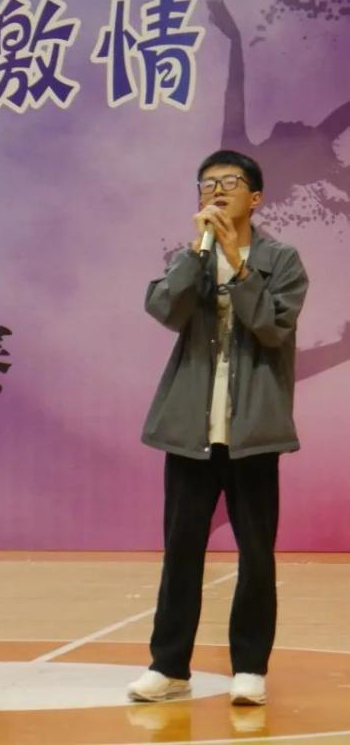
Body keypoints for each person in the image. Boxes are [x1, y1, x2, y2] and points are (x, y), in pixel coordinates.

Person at [128, 150, 308, 706]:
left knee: (256, 553)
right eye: (207, 185)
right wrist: (199, 253)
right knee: (181, 550)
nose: (217, 191)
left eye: (229, 182)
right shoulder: (192, 257)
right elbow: (165, 309)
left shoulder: (282, 259)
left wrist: (239, 265)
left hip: (253, 431)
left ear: (255, 198)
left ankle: (249, 667)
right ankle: (169, 667)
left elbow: (273, 328)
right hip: (192, 428)